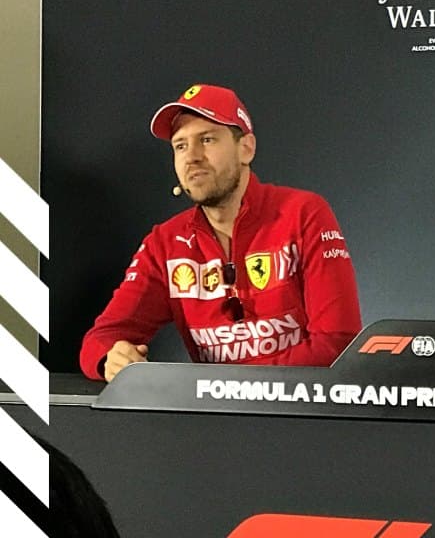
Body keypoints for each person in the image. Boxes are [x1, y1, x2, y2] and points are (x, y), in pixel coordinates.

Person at [79, 84, 362, 381]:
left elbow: (338, 344)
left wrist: (229, 386)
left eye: (207, 139)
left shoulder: (303, 213)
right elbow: (100, 340)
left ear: (246, 148)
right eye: (180, 146)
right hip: (211, 408)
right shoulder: (165, 243)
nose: (192, 157)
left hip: (295, 407)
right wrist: (111, 358)